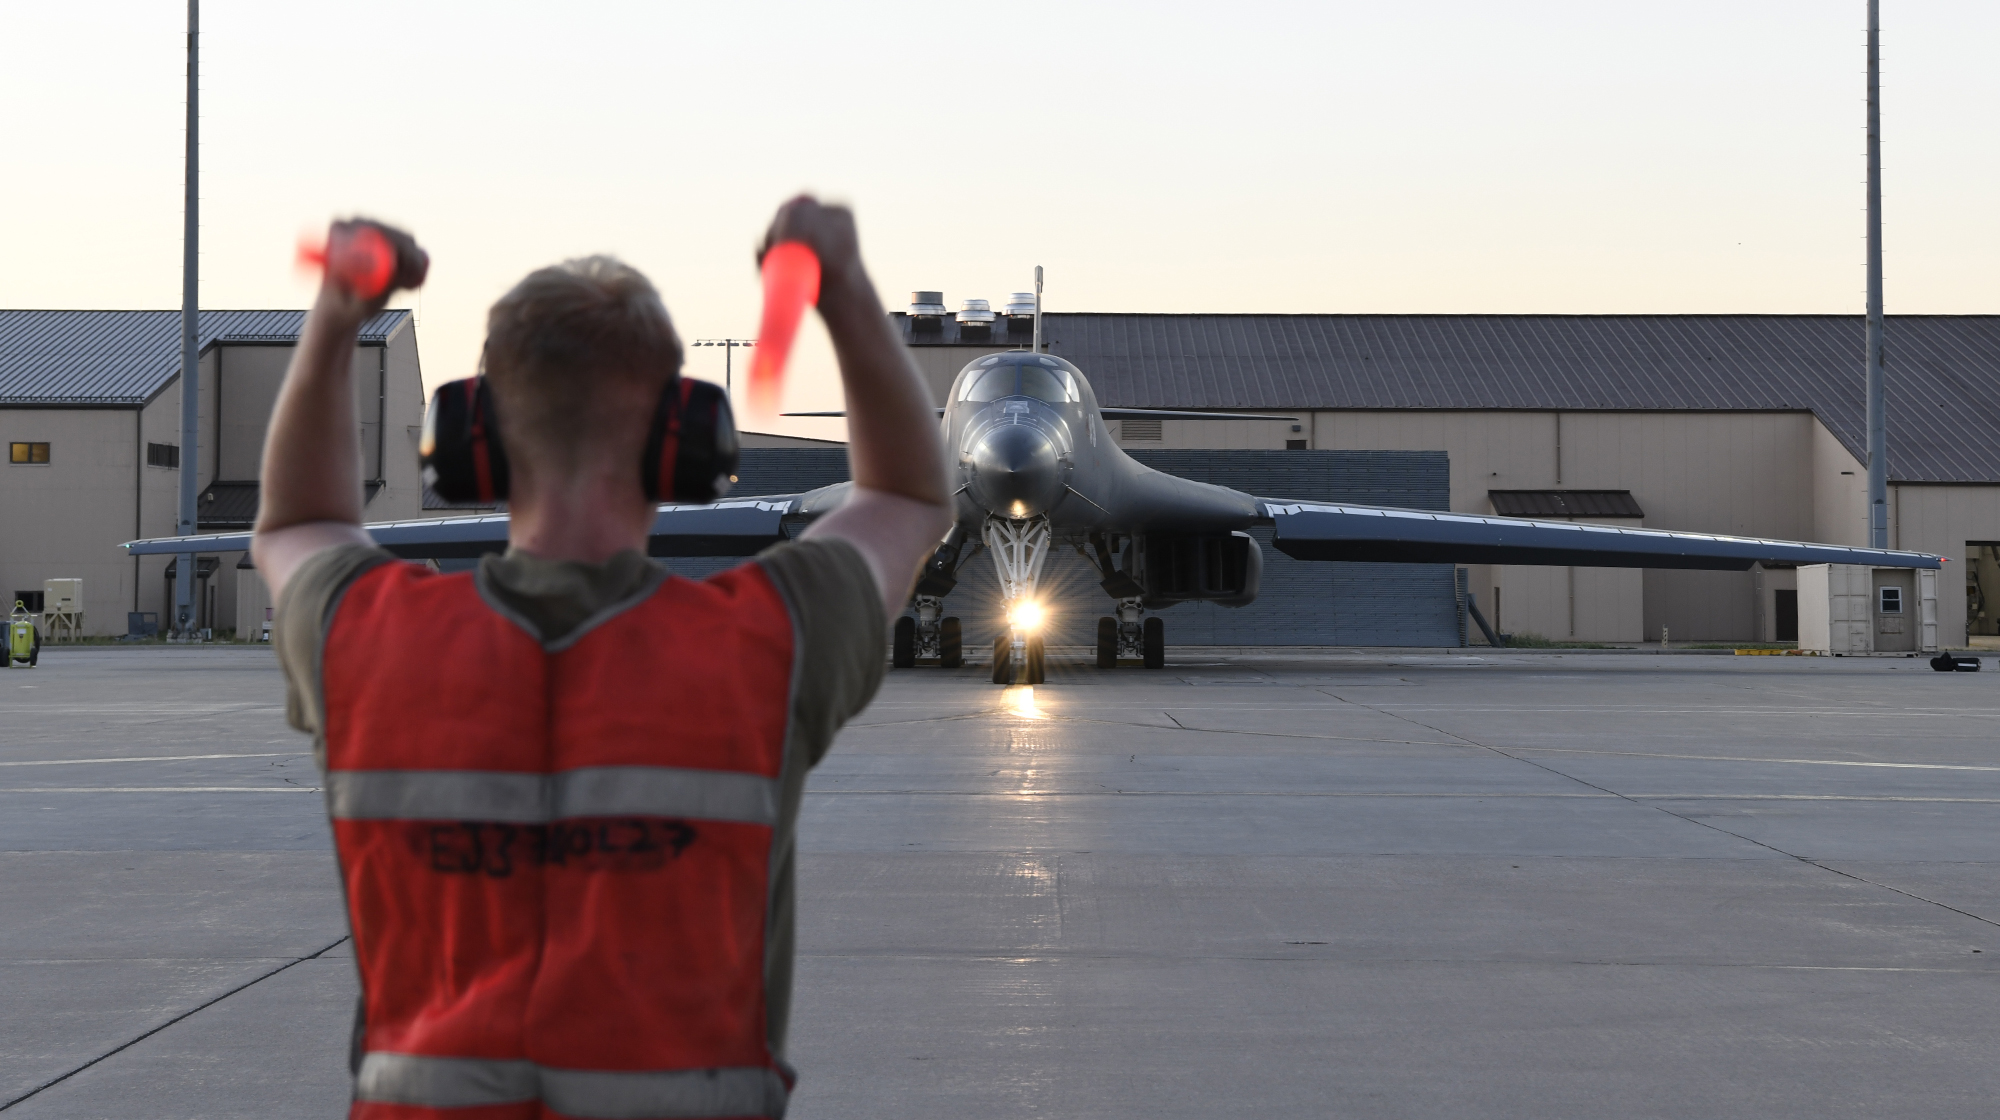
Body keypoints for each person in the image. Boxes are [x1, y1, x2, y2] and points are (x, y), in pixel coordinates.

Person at [253, 198, 951, 1119]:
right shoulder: (766, 644)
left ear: (473, 440)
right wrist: (844, 289)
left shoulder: (366, 639)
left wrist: (340, 313)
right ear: (688, 439)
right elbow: (907, 497)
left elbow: (301, 522)